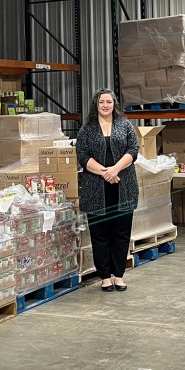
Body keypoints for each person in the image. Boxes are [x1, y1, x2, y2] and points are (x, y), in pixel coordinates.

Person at [76, 89, 139, 292]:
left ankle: (119, 276)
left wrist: (115, 170)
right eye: (101, 102)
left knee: (121, 234)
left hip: (123, 187)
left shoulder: (125, 125)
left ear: (114, 104)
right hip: (96, 189)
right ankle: (104, 277)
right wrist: (105, 173)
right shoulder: (87, 129)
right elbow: (82, 156)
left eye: (109, 102)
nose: (105, 105)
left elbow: (133, 150)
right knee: (100, 235)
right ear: (96, 104)